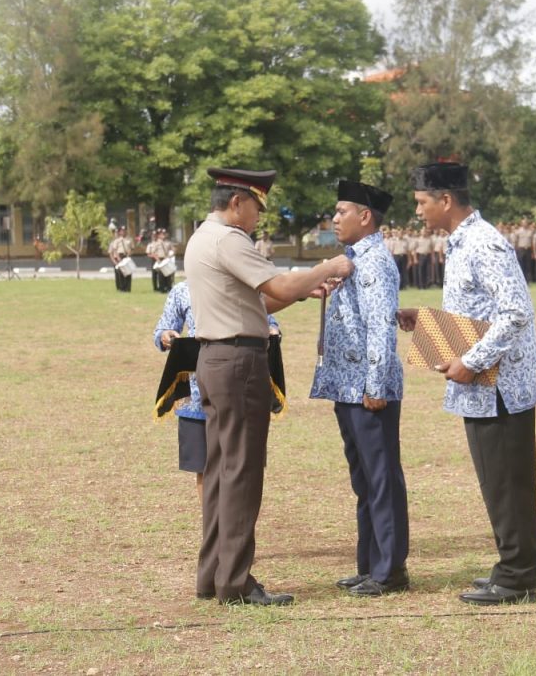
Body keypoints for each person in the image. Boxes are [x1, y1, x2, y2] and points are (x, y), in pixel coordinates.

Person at [184, 166, 354, 607]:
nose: (259, 216)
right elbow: (275, 284)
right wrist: (325, 267)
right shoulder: (229, 239)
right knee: (241, 472)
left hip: (215, 358)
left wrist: (303, 290)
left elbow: (260, 300)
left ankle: (213, 574)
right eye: (257, 207)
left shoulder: (203, 236)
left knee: (222, 469)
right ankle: (236, 582)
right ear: (238, 201)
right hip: (239, 361)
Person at [398, 162, 536, 606]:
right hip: (484, 382)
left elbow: (515, 312)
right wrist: (426, 322)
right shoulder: (462, 242)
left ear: (445, 200)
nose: (419, 212)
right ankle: (515, 566)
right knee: (498, 480)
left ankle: (518, 575)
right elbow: (477, 309)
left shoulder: (483, 243)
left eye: (422, 203)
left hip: (499, 383)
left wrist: (471, 360)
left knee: (507, 481)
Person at [309, 180, 409, 597]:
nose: (334, 218)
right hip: (347, 387)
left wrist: (375, 384)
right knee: (364, 481)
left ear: (364, 216)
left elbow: (381, 330)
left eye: (341, 211)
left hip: (369, 390)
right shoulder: (351, 260)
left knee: (382, 478)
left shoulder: (375, 263)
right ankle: (369, 565)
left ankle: (390, 571)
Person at [154, 281, 280, 504]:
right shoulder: (183, 290)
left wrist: (272, 331)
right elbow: (163, 329)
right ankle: (212, 528)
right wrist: (166, 336)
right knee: (205, 468)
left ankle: (235, 525)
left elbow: (268, 321)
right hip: (196, 395)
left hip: (241, 386)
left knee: (242, 464)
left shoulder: (247, 287)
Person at [109, 227, 134, 292]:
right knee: (121, 273)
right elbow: (114, 250)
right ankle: (122, 288)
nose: (123, 232)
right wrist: (118, 258)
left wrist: (129, 255)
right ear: (120, 232)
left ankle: (128, 288)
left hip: (127, 256)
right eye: (122, 231)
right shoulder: (117, 241)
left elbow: (132, 248)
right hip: (120, 256)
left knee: (128, 273)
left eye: (124, 230)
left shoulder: (129, 239)